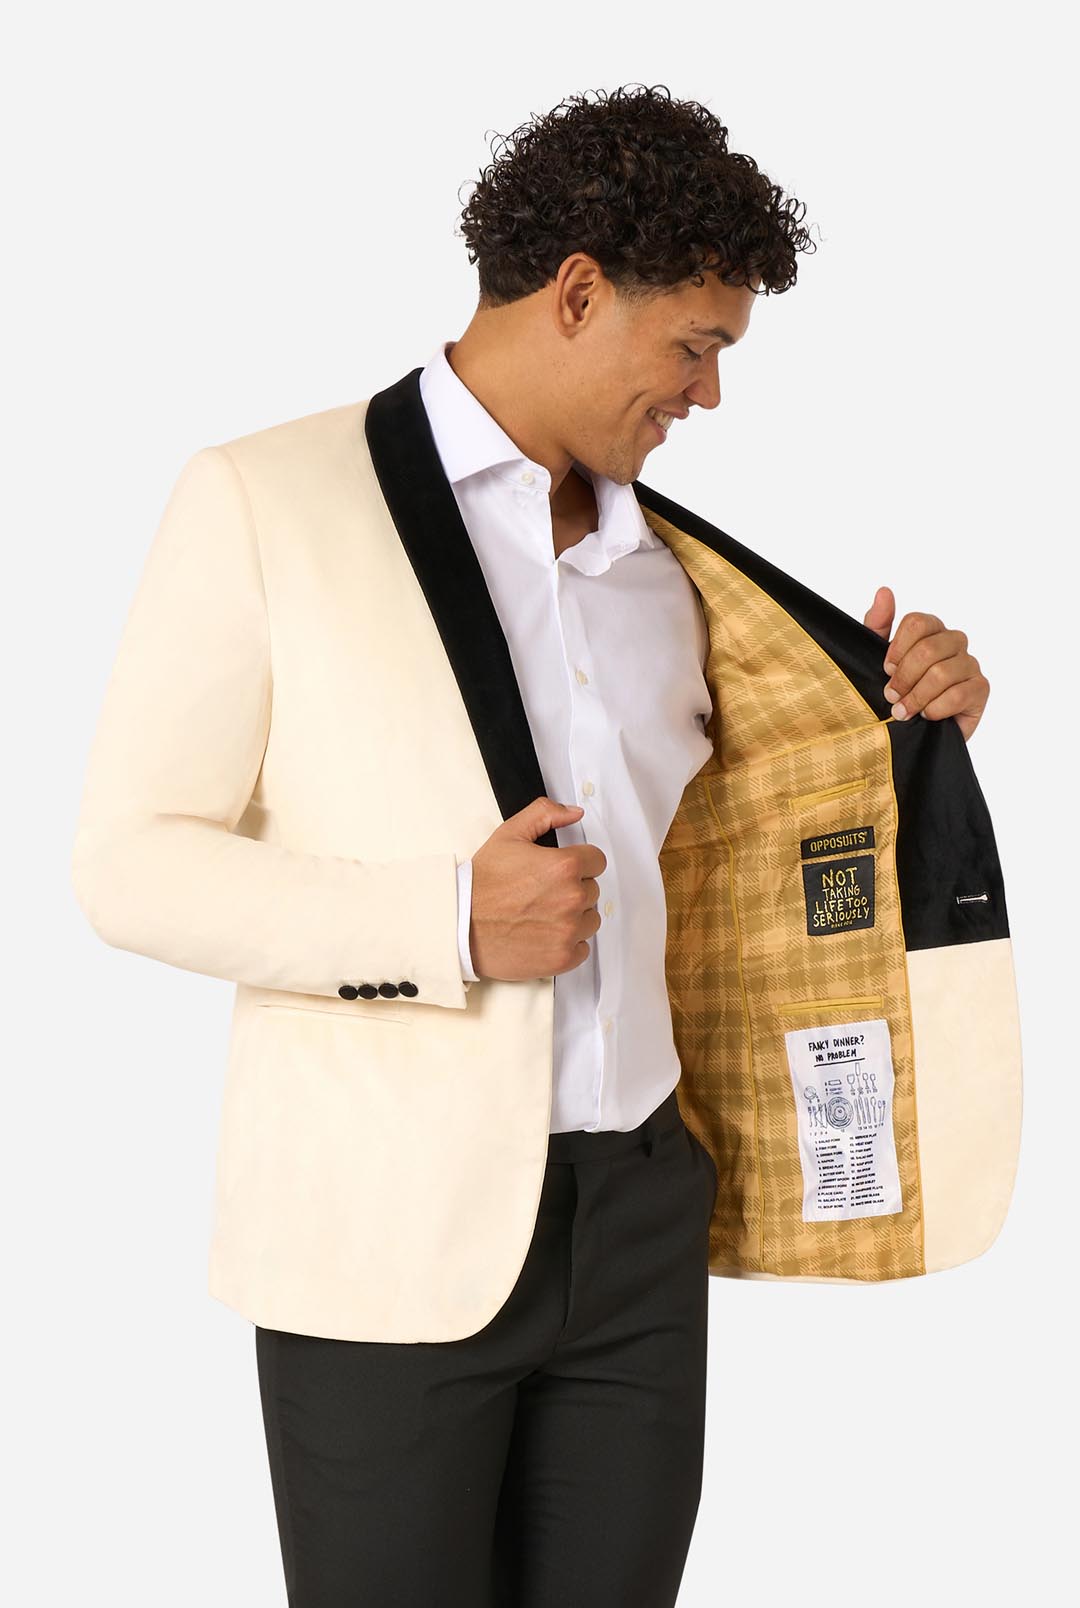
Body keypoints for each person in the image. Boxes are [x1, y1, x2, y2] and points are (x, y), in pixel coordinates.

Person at [72, 84, 998, 1607]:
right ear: (576, 293)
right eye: (693, 346)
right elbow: (128, 860)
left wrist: (904, 719)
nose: (710, 395)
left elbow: (747, 844)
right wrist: (448, 920)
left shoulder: (675, 577)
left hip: (642, 1220)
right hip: (383, 1233)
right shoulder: (266, 500)